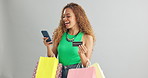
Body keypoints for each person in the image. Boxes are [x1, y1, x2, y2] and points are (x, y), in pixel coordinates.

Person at [43, 2, 96, 78]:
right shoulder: (59, 34)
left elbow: (86, 65)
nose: (65, 19)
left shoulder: (87, 37)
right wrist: (48, 47)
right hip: (60, 72)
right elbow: (52, 58)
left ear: (78, 17)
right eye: (63, 16)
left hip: (76, 73)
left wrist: (81, 54)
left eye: (68, 16)